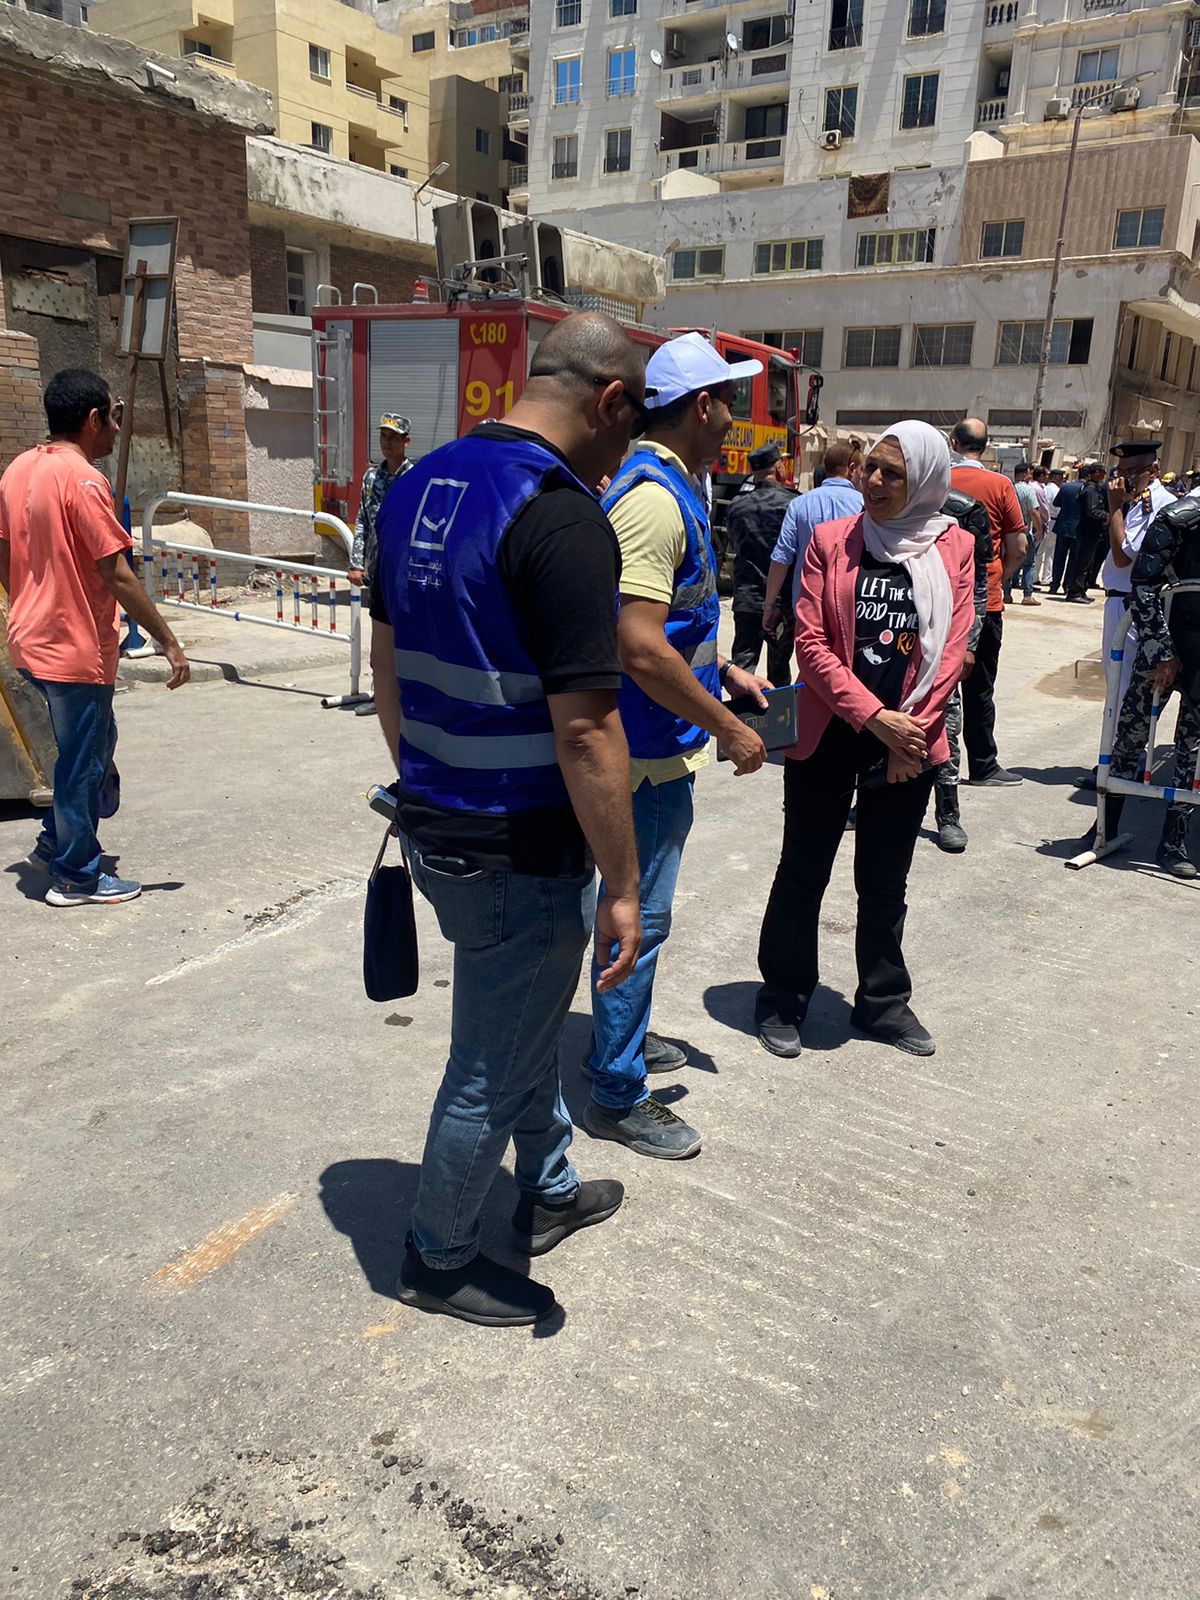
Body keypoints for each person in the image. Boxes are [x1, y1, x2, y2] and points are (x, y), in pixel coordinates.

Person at [368, 312, 647, 1327]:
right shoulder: (562, 517)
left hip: (438, 820)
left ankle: (551, 1184)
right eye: (634, 421)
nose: (628, 447)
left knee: (520, 1018)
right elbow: (587, 731)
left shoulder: (417, 486)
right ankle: (437, 1256)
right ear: (610, 401)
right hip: (518, 844)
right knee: (488, 1063)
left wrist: (427, 779)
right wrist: (624, 885)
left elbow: (386, 668)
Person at [586, 331, 773, 1161]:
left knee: (636, 916)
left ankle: (620, 1036)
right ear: (702, 407)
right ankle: (617, 1089)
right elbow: (637, 645)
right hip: (642, 757)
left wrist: (722, 671)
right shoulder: (655, 502)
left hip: (657, 741)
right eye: (728, 400)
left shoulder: (671, 486)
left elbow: (668, 624)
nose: (733, 415)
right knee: (638, 916)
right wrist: (728, 726)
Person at [754, 422, 974, 1061]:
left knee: (885, 879)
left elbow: (953, 648)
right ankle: (784, 996)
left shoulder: (954, 546)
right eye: (869, 467)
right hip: (832, 730)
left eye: (891, 473)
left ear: (925, 481)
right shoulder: (830, 540)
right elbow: (811, 644)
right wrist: (876, 718)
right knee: (803, 870)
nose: (873, 481)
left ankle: (882, 1001)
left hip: (909, 741)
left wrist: (911, 736)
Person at [0, 368, 189, 907]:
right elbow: (117, 573)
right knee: (82, 763)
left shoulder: (17, 470)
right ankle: (75, 876)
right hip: (72, 647)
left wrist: (26, 597)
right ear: (92, 420)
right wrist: (168, 641)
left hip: (31, 641)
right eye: (114, 416)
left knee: (94, 744)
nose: (116, 428)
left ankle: (55, 840)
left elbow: (3, 548)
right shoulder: (84, 481)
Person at [1095, 492, 1200, 877]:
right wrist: (1160, 650)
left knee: (1192, 751)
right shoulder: (1179, 518)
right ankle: (1104, 826)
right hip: (1165, 646)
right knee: (1130, 737)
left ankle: (1173, 842)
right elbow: (1144, 584)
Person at [948, 418, 1026, 787]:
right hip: (986, 603)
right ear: (986, 445)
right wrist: (997, 577)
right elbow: (1019, 547)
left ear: (954, 442)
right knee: (979, 688)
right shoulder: (1000, 485)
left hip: (938, 598)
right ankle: (983, 765)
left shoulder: (937, 480)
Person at [932, 484, 990, 853]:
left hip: (946, 645)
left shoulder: (964, 511)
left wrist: (969, 644)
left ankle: (948, 814)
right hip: (897, 642)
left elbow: (977, 589)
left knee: (947, 729)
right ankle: (869, 800)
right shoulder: (891, 506)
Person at [762, 440, 863, 630]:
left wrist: (769, 605)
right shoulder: (863, 506)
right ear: (852, 468)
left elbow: (781, 558)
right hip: (850, 609)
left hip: (807, 609)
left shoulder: (799, 504)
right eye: (861, 470)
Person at [725, 441, 797, 687]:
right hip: (782, 602)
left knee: (741, 671)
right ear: (778, 468)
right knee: (780, 670)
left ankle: (741, 711)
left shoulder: (737, 505)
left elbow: (733, 543)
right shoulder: (794, 504)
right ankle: (778, 711)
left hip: (747, 597)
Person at [348, 413, 413, 589]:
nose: (387, 442)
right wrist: (356, 563)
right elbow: (363, 521)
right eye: (383, 436)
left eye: (393, 437)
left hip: (404, 572)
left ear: (406, 441)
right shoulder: (371, 477)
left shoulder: (414, 477)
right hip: (375, 570)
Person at [1065, 462, 1110, 602]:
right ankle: (1075, 593)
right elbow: (1092, 510)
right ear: (1096, 472)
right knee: (1082, 563)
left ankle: (1081, 590)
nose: (1103, 475)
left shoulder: (1094, 488)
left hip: (1091, 531)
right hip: (1087, 531)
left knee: (1087, 563)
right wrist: (1105, 515)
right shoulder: (1090, 489)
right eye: (1102, 472)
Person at [1004, 462, 1042, 606]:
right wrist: (1039, 529)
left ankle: (1006, 594)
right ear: (1025, 474)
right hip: (1024, 531)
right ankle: (1027, 595)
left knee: (1008, 561)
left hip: (1007, 532)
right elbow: (1034, 512)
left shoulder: (1008, 488)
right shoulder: (1028, 490)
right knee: (1029, 563)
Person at [1049, 466, 1085, 595]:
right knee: (1073, 559)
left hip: (1063, 526)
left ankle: (1054, 585)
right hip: (1078, 529)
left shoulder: (1066, 487)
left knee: (1058, 557)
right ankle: (1067, 585)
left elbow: (1056, 503)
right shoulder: (1087, 488)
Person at [1033, 466, 1063, 589]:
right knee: (1050, 551)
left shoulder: (1043, 488)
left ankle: (1034, 576)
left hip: (1042, 521)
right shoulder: (1057, 491)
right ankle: (1047, 577)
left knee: (1039, 550)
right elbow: (1058, 508)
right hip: (1053, 521)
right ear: (1056, 478)